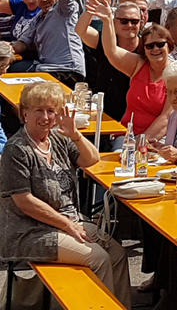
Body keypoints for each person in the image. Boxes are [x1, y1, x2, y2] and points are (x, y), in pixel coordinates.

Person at [0, 82, 131, 307]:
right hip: (30, 232)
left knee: (117, 254)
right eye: (38, 110)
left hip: (68, 222)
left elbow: (91, 160)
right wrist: (68, 226)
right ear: (24, 113)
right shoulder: (17, 150)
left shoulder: (58, 139)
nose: (46, 116)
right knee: (98, 258)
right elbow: (25, 201)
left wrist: (76, 135)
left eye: (51, 110)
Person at [90, 0, 170, 139]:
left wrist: (140, 144)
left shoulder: (175, 74)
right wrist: (108, 20)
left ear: (169, 46)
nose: (155, 49)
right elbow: (111, 51)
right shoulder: (138, 65)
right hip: (127, 135)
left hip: (159, 140)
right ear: (143, 49)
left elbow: (166, 118)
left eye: (160, 44)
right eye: (149, 46)